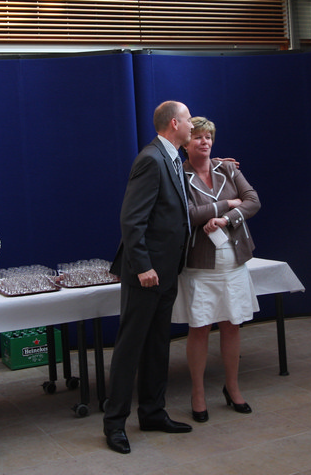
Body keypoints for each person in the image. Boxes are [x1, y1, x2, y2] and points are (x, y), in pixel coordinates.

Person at [103, 100, 194, 455]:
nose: (193, 125)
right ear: (174, 124)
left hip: (167, 271)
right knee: (131, 348)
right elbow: (132, 220)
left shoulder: (172, 158)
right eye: (188, 120)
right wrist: (142, 266)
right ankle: (114, 424)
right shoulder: (150, 159)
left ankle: (153, 412)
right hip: (147, 273)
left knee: (157, 344)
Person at [173, 116, 260, 422]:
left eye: (209, 137)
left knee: (232, 325)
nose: (205, 142)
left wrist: (227, 219)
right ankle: (198, 393)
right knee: (199, 328)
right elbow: (188, 214)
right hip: (199, 264)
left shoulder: (227, 168)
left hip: (233, 260)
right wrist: (226, 204)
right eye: (198, 137)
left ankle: (232, 387)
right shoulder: (178, 174)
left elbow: (253, 201)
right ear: (186, 144)